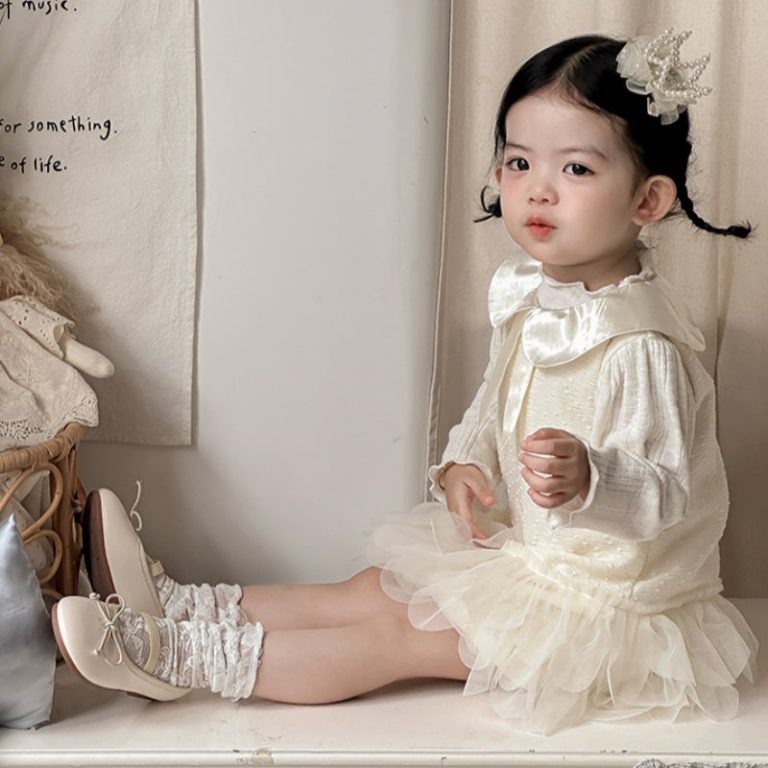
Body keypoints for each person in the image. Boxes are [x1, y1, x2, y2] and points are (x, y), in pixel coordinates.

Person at [52, 30, 758, 734]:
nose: (537, 188)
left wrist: (593, 478)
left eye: (575, 168)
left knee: (399, 635)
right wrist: (465, 464)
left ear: (647, 200)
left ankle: (180, 657)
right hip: (537, 563)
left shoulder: (641, 345)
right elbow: (493, 407)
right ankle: (181, 606)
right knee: (376, 591)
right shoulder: (535, 301)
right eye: (518, 161)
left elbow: (667, 492)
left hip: (606, 612)